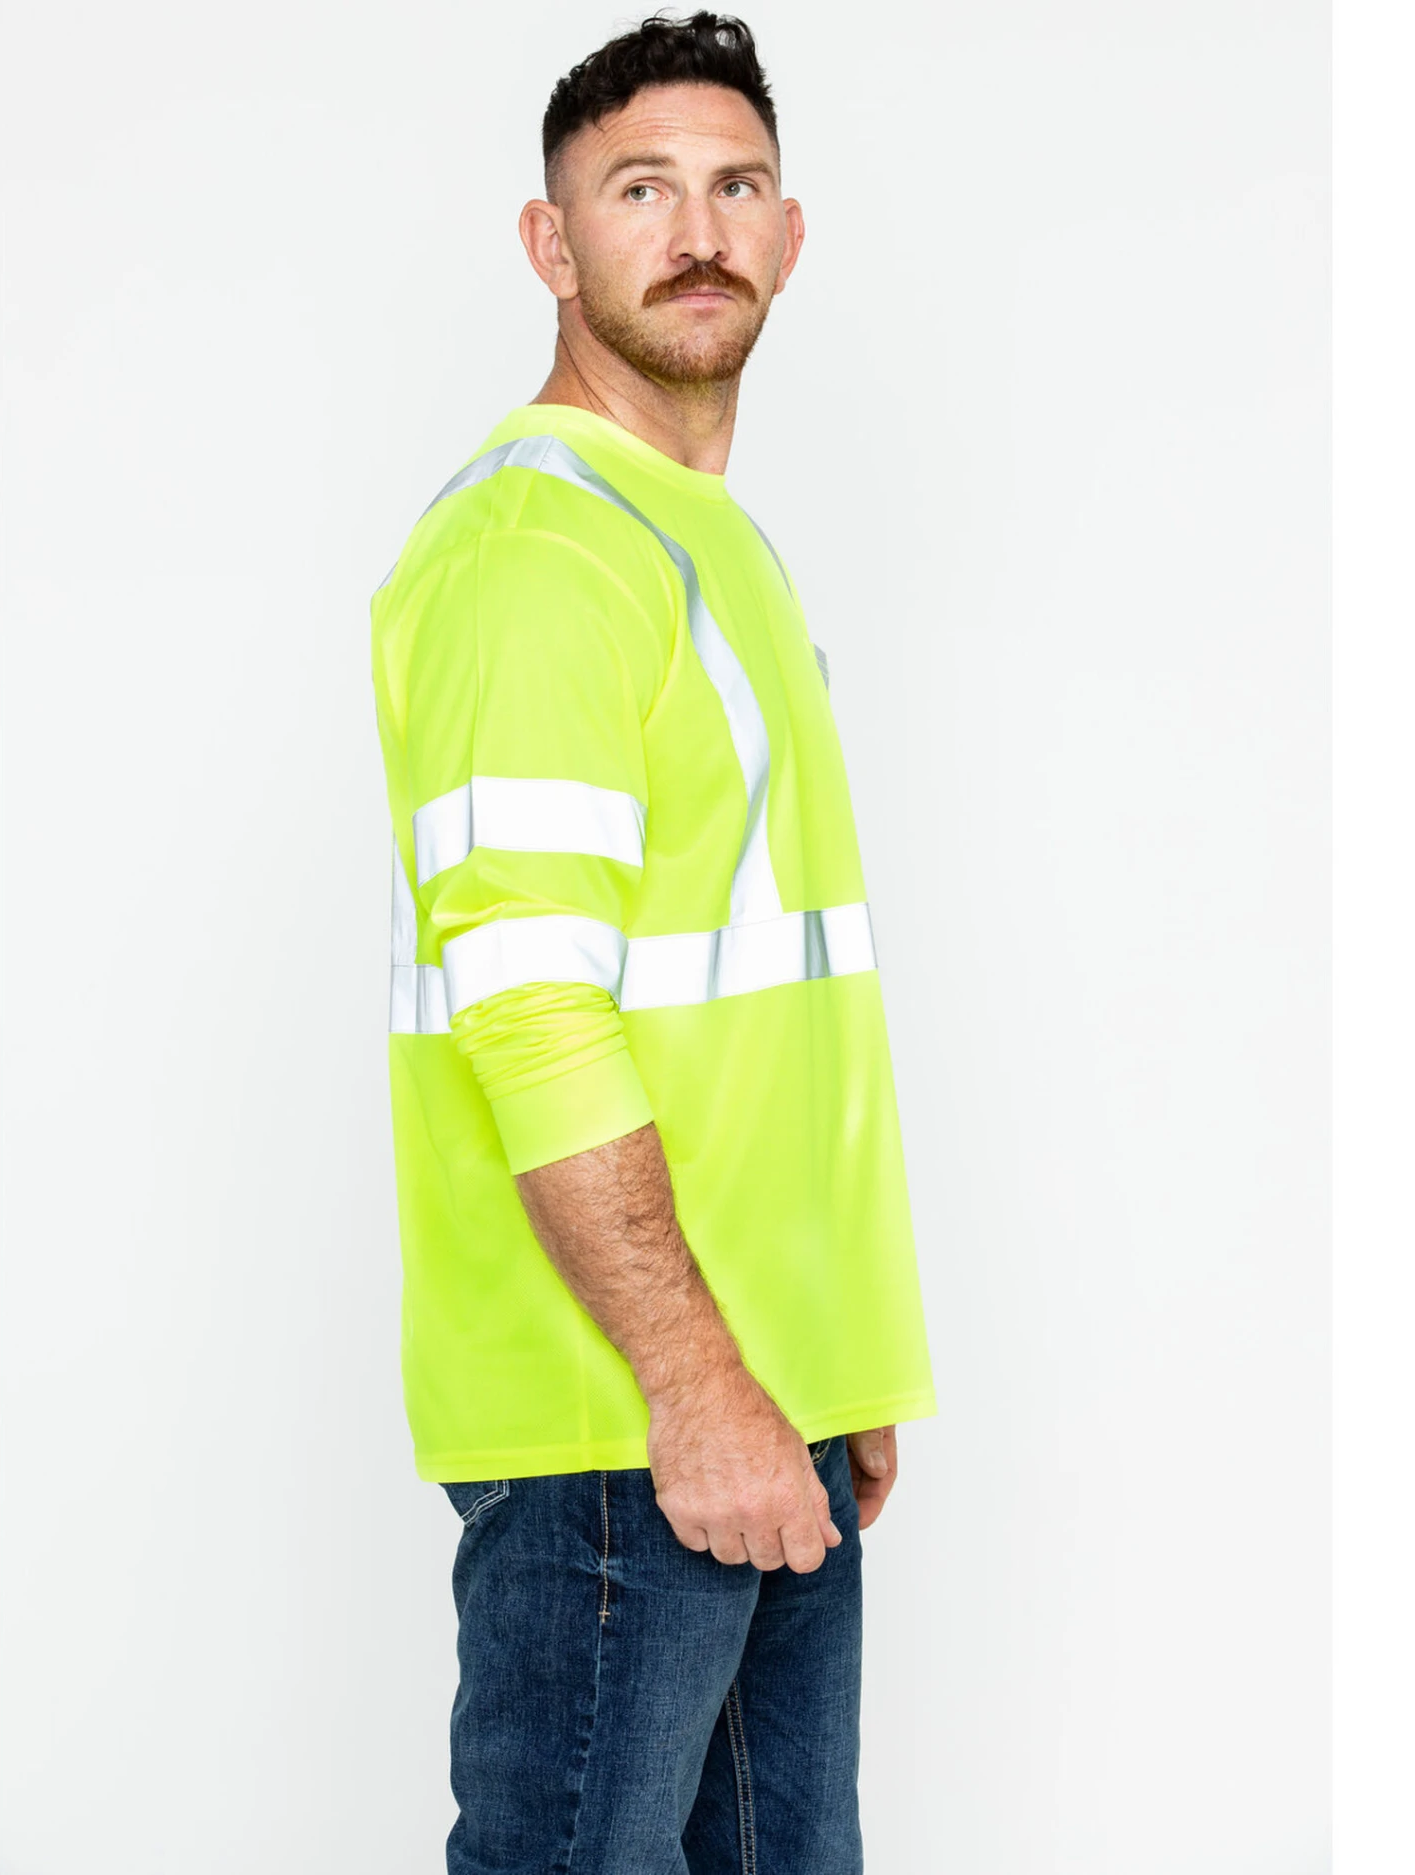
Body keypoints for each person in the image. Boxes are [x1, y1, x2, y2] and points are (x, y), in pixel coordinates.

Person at [369, 13, 938, 1871]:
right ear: (553, 244)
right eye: (640, 191)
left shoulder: (707, 540)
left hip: (763, 1401)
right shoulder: (537, 554)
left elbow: (771, 1000)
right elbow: (534, 1011)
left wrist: (831, 1363)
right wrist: (698, 1381)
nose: (698, 231)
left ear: (790, 234)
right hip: (619, 1429)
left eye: (735, 186)